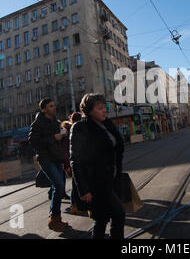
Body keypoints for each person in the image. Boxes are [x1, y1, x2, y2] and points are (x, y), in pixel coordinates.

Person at [70, 93, 125, 239]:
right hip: (96, 182)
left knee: (102, 218)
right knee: (119, 214)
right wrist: (83, 189)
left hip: (112, 178)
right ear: (89, 110)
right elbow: (76, 161)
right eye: (100, 108)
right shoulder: (80, 128)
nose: (104, 110)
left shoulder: (107, 124)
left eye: (104, 107)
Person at [29, 98, 68, 232]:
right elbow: (33, 142)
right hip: (46, 158)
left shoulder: (55, 122)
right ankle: (54, 219)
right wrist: (53, 138)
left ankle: (56, 218)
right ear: (44, 109)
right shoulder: (37, 124)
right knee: (59, 185)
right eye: (51, 106)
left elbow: (58, 137)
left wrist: (63, 134)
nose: (54, 107)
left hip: (56, 157)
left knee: (58, 186)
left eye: (54, 105)